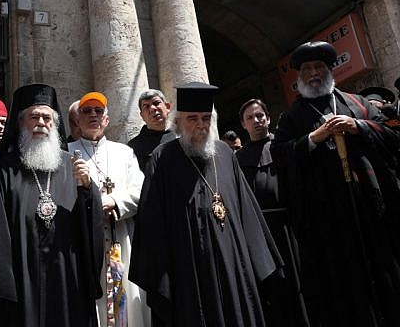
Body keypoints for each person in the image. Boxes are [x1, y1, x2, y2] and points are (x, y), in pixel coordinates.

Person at [130, 81, 282, 326]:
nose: (200, 125)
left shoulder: (224, 152)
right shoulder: (162, 157)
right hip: (189, 269)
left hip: (234, 263)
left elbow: (247, 210)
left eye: (205, 118)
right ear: (178, 122)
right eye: (193, 118)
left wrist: (259, 262)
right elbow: (152, 222)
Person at [272, 41, 400, 326]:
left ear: (330, 71)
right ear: (299, 78)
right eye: (307, 69)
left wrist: (360, 127)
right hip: (327, 219)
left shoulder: (358, 103)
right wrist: (312, 139)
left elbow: (393, 138)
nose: (314, 73)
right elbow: (280, 155)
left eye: (319, 67)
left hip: (371, 208)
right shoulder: (291, 118)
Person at [0, 83, 104, 327]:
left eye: (47, 117)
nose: (41, 123)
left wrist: (88, 191)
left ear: (55, 123)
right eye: (34, 116)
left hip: (67, 273)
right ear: (20, 123)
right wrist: (6, 284)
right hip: (22, 274)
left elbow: (90, 226)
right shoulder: (3, 171)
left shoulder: (72, 164)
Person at [68, 91, 150, 327]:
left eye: (99, 111)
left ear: (106, 119)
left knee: (126, 306)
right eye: (87, 111)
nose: (93, 115)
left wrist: (114, 201)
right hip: (83, 243)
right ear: (78, 120)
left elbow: (140, 190)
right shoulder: (66, 152)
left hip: (119, 238)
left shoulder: (124, 152)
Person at [236, 99, 309, 327]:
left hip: (292, 229)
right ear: (243, 125)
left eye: (260, 116)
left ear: (268, 118)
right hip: (260, 236)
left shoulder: (285, 147)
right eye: (250, 118)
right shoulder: (237, 160)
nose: (256, 121)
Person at [127, 89, 176, 170]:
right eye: (146, 106)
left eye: (156, 103)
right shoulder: (134, 147)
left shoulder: (182, 137)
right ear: (142, 115)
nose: (152, 109)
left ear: (167, 107)